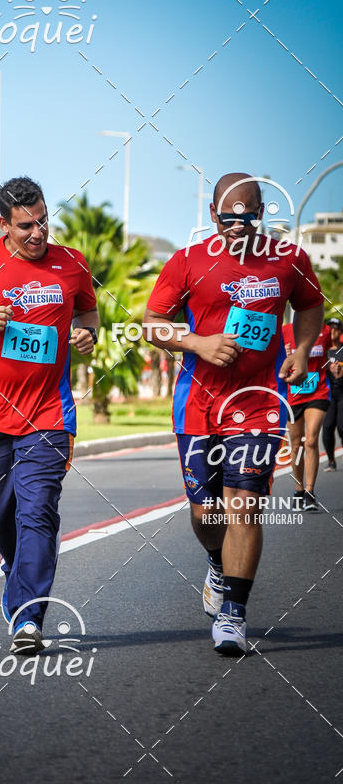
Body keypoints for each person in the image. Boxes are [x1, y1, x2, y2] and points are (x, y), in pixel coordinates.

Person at [144, 172, 324, 655]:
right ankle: (217, 564)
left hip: (258, 401)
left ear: (261, 213)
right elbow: (152, 325)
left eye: (248, 215)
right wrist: (196, 341)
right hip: (198, 402)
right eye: (229, 217)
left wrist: (303, 350)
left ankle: (234, 615)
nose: (239, 224)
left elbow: (310, 304)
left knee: (244, 503)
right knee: (207, 512)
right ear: (212, 216)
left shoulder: (288, 260)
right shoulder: (187, 262)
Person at [0, 176, 98, 655]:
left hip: (51, 414)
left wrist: (86, 335)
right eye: (26, 225)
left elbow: (88, 314)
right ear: (4, 224)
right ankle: (18, 573)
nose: (37, 233)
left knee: (37, 512)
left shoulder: (71, 263)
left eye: (43, 221)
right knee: (1, 516)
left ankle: (29, 619)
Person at [282, 321, 330, 510]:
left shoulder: (324, 330)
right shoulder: (285, 331)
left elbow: (336, 349)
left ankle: (310, 492)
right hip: (293, 396)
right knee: (296, 445)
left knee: (310, 440)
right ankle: (299, 489)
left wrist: (337, 365)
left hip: (318, 393)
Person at [323, 318, 343, 471]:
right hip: (329, 395)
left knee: (342, 427)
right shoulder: (322, 350)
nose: (332, 331)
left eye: (336, 328)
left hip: (342, 393)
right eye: (330, 328)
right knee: (328, 426)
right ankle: (331, 461)